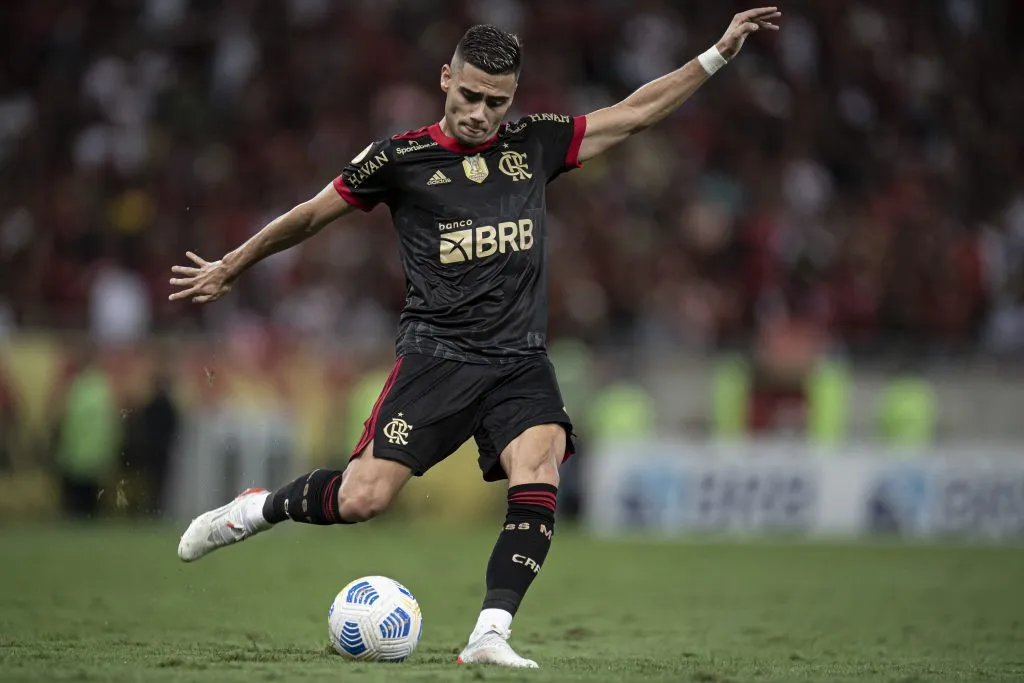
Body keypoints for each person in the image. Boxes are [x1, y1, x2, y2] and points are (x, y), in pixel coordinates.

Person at [170, 9, 781, 668]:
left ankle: (490, 631)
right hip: (437, 358)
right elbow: (310, 216)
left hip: (518, 360)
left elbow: (632, 114)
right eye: (469, 96)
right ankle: (257, 509)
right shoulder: (399, 159)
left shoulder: (535, 144)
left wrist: (716, 54)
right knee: (361, 498)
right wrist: (231, 265)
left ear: (512, 97)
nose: (480, 113)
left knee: (540, 463)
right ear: (445, 80)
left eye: (496, 101)